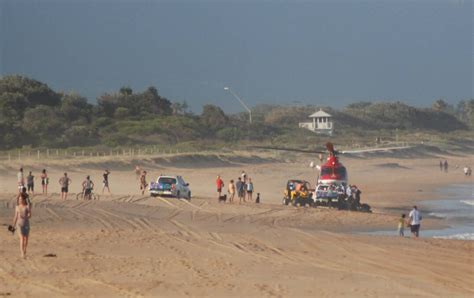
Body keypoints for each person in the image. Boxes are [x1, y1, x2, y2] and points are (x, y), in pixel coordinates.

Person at [12, 192, 31, 258]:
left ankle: (25, 250)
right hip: (19, 224)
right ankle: (22, 253)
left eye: (21, 199)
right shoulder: (17, 207)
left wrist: (27, 216)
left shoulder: (27, 206)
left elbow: (29, 215)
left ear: (24, 200)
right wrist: (13, 226)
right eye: (19, 199)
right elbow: (15, 217)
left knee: (26, 239)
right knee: (22, 238)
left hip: (26, 224)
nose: (20, 200)